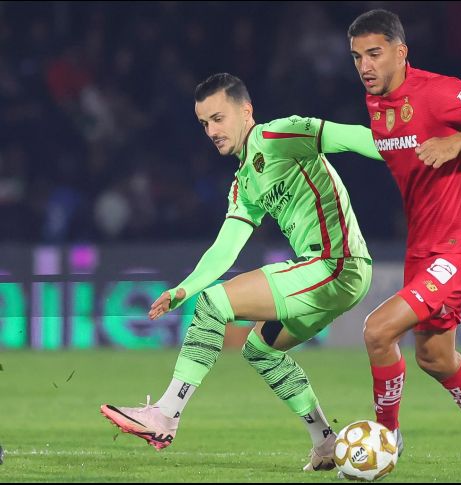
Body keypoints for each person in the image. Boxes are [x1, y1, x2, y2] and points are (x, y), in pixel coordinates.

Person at [100, 73, 381, 472]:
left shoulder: (279, 135)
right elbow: (225, 248)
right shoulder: (244, 182)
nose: (212, 131)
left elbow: (349, 136)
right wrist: (183, 289)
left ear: (245, 111)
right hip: (329, 273)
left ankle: (165, 414)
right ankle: (324, 440)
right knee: (259, 349)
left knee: (215, 304)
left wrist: (410, 152)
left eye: (218, 118)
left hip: (337, 264)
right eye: (204, 124)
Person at [348, 10, 461, 476]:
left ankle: (386, 436)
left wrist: (459, 141)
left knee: (377, 330)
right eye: (356, 57)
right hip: (424, 249)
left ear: (400, 52)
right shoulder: (375, 104)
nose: (365, 66)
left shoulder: (439, 91)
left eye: (374, 53)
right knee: (434, 356)